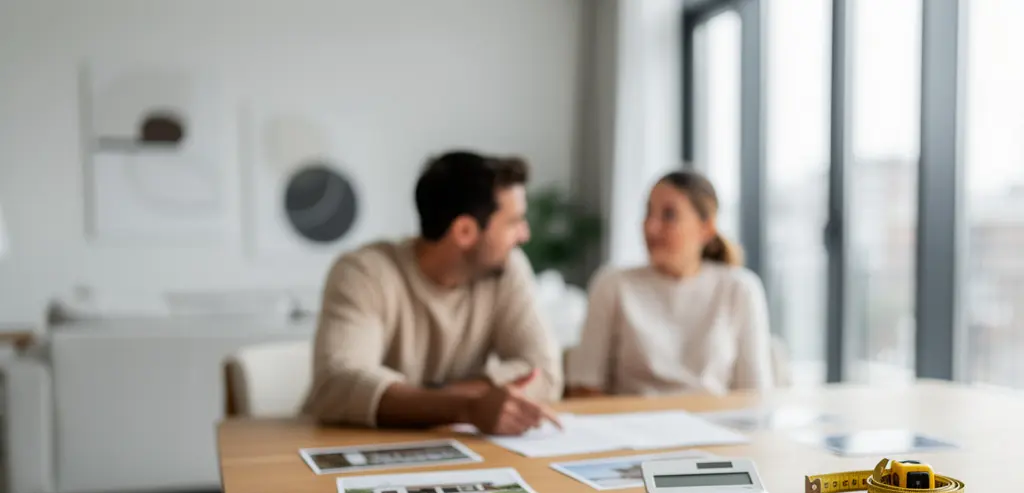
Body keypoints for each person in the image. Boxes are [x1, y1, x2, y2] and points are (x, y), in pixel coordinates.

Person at [301, 150, 563, 435]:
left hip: (451, 449)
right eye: (514, 222)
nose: (525, 234)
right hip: (343, 446)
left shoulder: (508, 269)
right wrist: (467, 408)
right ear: (464, 231)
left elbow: (545, 374)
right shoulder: (363, 273)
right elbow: (337, 384)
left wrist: (422, 398)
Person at [565, 169, 774, 397]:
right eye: (648, 213)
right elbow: (584, 386)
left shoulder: (740, 288)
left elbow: (755, 394)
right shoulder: (612, 285)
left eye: (669, 215)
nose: (651, 227)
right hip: (635, 428)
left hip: (716, 428)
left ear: (706, 228)